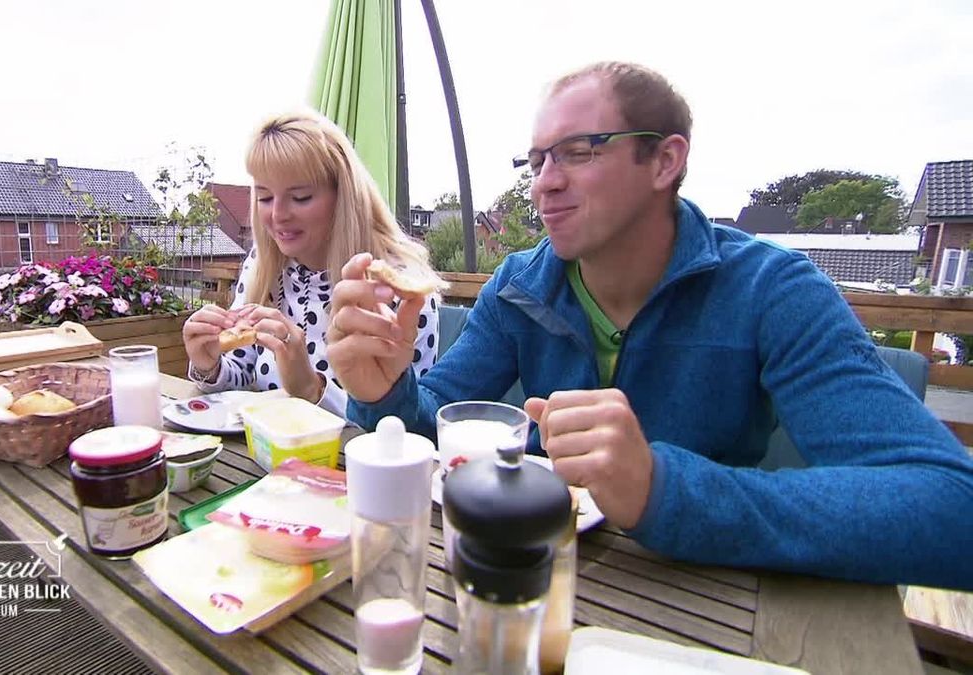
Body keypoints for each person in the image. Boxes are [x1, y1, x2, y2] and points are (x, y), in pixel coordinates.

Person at [326, 62, 973, 589]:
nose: (544, 184)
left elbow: (949, 508)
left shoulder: (774, 290)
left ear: (665, 161)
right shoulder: (519, 284)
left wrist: (663, 488)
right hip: (538, 583)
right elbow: (433, 426)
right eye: (537, 160)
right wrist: (386, 391)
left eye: (577, 152)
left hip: (719, 599)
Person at [182, 110, 444, 419]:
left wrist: (312, 390)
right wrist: (208, 365)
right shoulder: (263, 265)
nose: (278, 215)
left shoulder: (398, 287)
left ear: (343, 197)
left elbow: (410, 424)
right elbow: (240, 372)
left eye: (301, 197)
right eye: (265, 197)